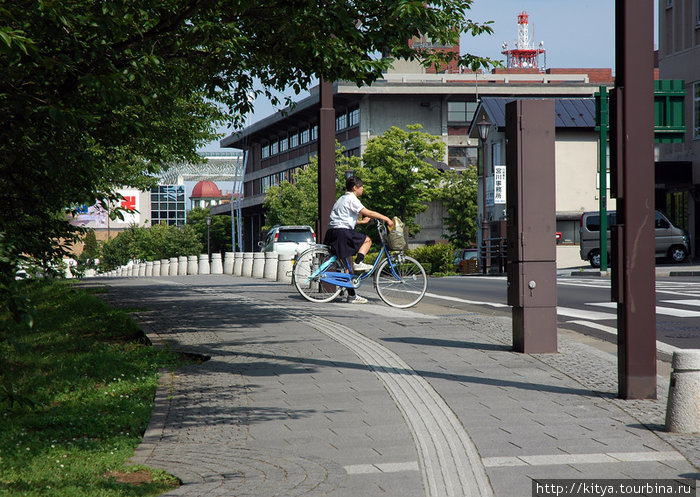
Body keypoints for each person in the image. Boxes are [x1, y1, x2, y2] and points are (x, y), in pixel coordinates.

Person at [324, 176, 394, 304]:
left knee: (347, 266)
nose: (363, 189)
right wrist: (387, 219)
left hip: (333, 232)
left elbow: (345, 218)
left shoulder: (341, 199)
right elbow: (368, 212)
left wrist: (361, 222)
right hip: (341, 232)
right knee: (367, 240)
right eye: (361, 187)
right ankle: (359, 262)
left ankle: (352, 295)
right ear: (355, 188)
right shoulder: (352, 199)